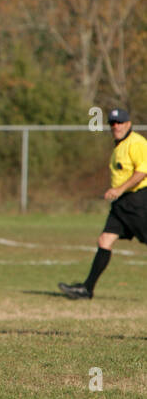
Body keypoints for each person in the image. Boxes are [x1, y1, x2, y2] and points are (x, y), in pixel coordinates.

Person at [60, 107, 147, 300]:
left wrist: (118, 189)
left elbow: (142, 172)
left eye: (120, 122)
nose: (116, 126)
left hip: (138, 202)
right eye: (112, 123)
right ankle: (87, 289)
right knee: (104, 240)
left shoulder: (137, 143)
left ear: (129, 124)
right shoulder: (119, 145)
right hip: (121, 205)